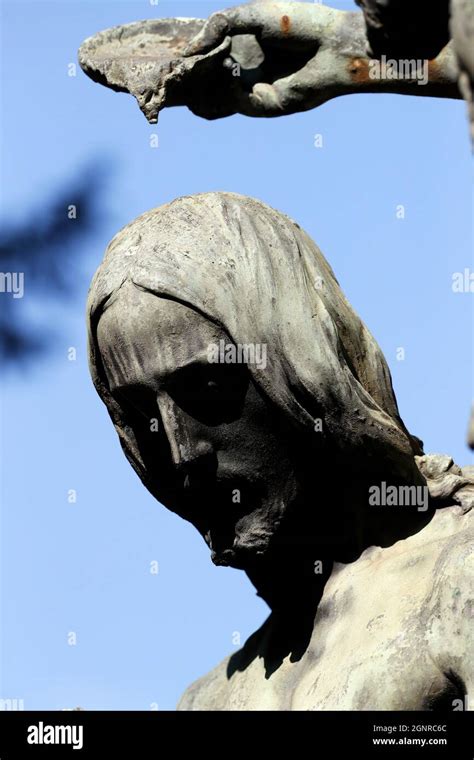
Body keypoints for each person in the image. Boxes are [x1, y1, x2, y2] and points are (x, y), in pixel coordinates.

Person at [87, 192, 473, 710]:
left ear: (302, 368)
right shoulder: (207, 702)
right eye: (143, 417)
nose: (182, 454)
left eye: (206, 388)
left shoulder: (457, 585)